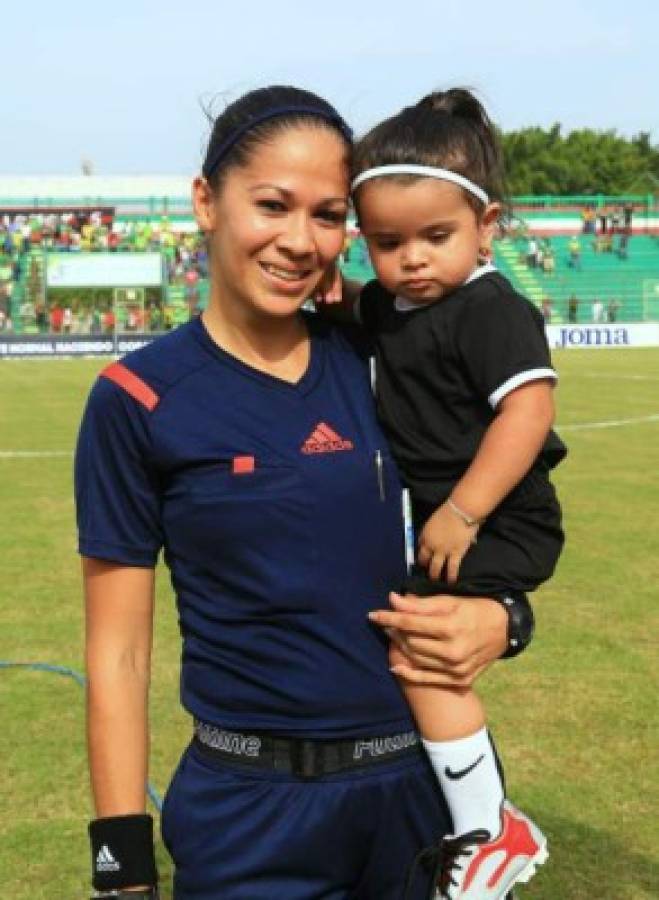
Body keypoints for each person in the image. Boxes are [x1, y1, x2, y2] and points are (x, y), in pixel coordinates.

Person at [75, 85, 512, 900]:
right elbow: (119, 652)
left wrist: (507, 619)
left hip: (421, 804)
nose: (299, 241)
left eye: (327, 214)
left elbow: (499, 519)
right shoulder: (135, 400)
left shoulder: (382, 362)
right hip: (246, 817)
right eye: (272, 205)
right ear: (206, 201)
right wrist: (119, 868)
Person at [322, 87, 566, 900]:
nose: (413, 260)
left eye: (436, 236)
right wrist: (336, 289)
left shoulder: (489, 310)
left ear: (485, 226)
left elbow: (527, 411)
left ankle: (491, 829)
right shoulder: (390, 304)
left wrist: (463, 510)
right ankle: (474, 821)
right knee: (411, 654)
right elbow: (357, 308)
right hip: (441, 518)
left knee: (423, 659)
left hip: (494, 513)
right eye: (387, 243)